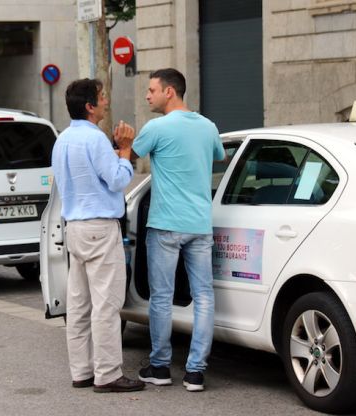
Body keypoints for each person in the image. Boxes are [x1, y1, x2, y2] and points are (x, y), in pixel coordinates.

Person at [132, 68, 225, 392]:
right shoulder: (208, 126)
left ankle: (159, 366)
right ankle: (196, 372)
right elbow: (218, 155)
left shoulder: (156, 128)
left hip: (166, 225)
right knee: (203, 297)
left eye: (151, 90)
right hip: (199, 224)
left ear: (169, 92)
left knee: (161, 297)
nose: (147, 95)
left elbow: (130, 155)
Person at [51, 78, 144, 393]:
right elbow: (117, 180)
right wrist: (126, 150)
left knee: (79, 305)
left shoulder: (62, 139)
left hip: (74, 227)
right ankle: (108, 374)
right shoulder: (95, 140)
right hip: (100, 227)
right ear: (90, 107)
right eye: (102, 98)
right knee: (106, 305)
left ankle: (82, 371)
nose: (106, 101)